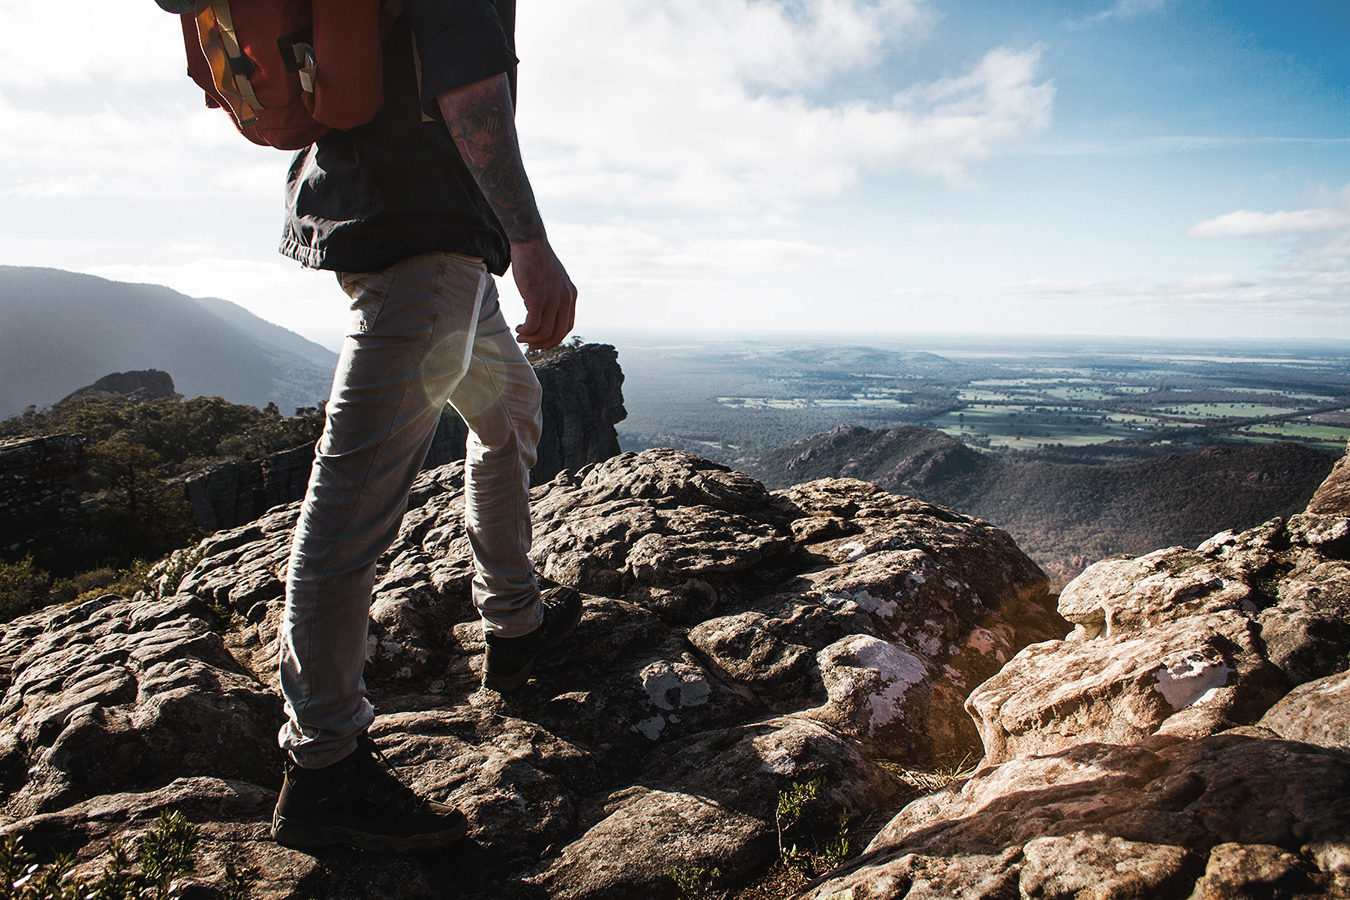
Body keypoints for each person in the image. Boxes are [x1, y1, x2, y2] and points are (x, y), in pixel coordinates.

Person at [266, 0, 580, 852]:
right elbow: (469, 92)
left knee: (511, 406)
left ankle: (514, 627)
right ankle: (324, 764)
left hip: (429, 242)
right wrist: (532, 242)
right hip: (425, 250)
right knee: (351, 504)